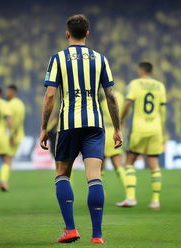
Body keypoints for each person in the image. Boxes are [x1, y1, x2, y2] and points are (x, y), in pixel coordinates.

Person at [39, 14, 122, 244]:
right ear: (87, 33)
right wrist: (117, 128)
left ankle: (71, 229)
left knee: (62, 173)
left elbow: (50, 96)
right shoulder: (100, 59)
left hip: (68, 125)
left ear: (67, 34)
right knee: (94, 177)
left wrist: (44, 127)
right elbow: (111, 96)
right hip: (95, 125)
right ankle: (97, 235)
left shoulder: (57, 59)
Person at [116, 62, 166, 210]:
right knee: (154, 164)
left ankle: (131, 198)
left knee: (130, 162)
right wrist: (161, 130)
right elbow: (162, 112)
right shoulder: (160, 86)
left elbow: (127, 104)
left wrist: (121, 119)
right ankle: (155, 201)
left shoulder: (135, 84)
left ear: (141, 70)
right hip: (155, 128)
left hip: (139, 129)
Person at [101, 91, 126, 190]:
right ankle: (129, 193)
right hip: (115, 131)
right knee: (119, 165)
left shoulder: (101, 97)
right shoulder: (120, 96)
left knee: (99, 167)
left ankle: (100, 192)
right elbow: (124, 111)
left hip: (102, 132)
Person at [6, 85, 25, 160]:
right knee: (9, 157)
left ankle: (6, 171)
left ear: (12, 92)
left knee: (7, 158)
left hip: (12, 135)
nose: (6, 93)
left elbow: (16, 121)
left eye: (7, 91)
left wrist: (12, 135)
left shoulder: (11, 105)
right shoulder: (20, 103)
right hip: (18, 134)